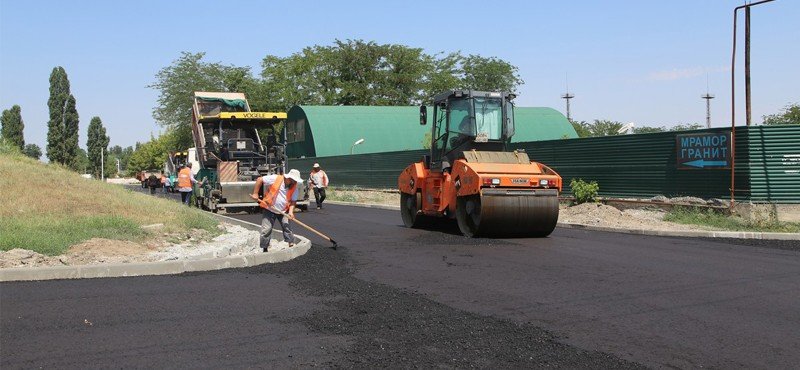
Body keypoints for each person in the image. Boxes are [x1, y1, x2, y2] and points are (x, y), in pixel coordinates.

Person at [250, 169, 304, 252]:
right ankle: (265, 248)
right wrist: (255, 193)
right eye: (294, 180)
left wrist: (290, 212)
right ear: (289, 178)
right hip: (269, 208)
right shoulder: (276, 178)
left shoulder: (294, 188)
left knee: (287, 227)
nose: (294, 182)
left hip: (283, 210)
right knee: (266, 229)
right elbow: (259, 179)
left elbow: (293, 201)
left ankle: (291, 245)